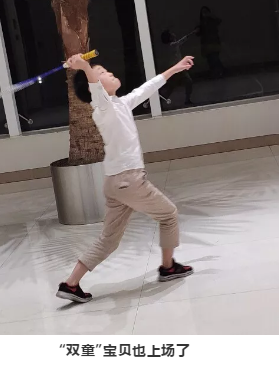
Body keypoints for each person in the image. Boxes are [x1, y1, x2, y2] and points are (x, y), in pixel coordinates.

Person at [57, 53, 196, 303]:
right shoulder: (102, 108)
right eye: (102, 73)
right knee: (168, 215)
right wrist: (85, 66)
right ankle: (168, 267)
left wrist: (174, 68)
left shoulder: (120, 104)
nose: (109, 73)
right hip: (129, 181)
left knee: (109, 240)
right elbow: (95, 89)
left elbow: (147, 88)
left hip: (115, 184)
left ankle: (70, 284)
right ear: (94, 86)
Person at [159, 29, 194, 106]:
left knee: (172, 86)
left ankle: (160, 102)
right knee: (186, 83)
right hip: (176, 68)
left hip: (176, 68)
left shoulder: (170, 46)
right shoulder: (172, 45)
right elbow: (181, 41)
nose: (173, 34)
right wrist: (192, 33)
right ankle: (159, 102)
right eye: (171, 34)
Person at [197, 6, 224, 78]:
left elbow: (219, 21)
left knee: (214, 58)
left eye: (206, 11)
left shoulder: (212, 20)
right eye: (203, 12)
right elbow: (199, 33)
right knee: (210, 59)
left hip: (214, 42)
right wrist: (197, 30)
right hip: (206, 44)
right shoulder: (202, 22)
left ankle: (220, 72)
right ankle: (215, 73)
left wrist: (211, 15)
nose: (204, 13)